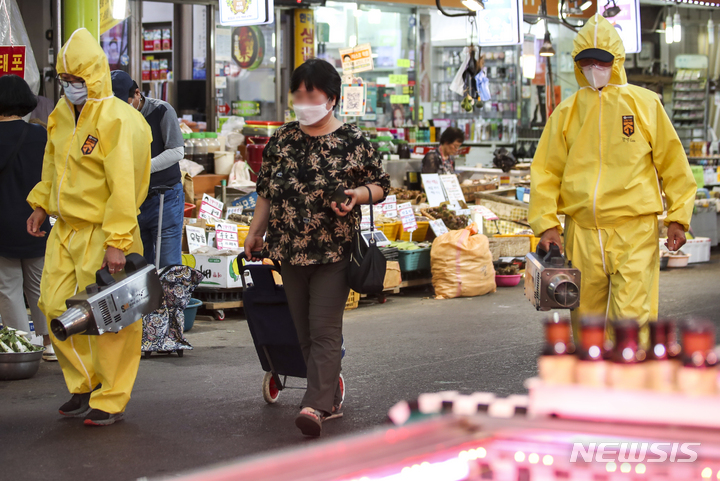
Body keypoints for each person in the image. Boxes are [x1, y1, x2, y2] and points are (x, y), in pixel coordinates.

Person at [244, 58, 390, 437]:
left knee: (324, 328)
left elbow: (381, 186)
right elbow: (266, 192)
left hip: (334, 250)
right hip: (289, 249)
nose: (303, 101)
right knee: (304, 330)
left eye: (312, 94)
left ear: (332, 98)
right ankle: (329, 390)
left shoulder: (353, 141)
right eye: (298, 93)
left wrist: (356, 195)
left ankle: (316, 404)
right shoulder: (283, 139)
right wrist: (255, 231)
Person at [529, 14, 696, 344]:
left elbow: (673, 162)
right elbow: (545, 170)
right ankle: (591, 386)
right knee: (586, 323)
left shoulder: (644, 105)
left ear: (616, 60)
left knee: (632, 320)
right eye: (586, 62)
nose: (594, 68)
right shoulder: (567, 112)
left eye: (601, 61)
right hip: (582, 232)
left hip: (634, 229)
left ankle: (630, 385)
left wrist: (679, 217)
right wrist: (546, 223)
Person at [26, 28, 152, 426]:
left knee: (111, 320)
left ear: (95, 75)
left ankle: (111, 398)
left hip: (107, 232)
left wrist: (117, 241)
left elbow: (125, 186)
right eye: (65, 80)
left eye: (77, 80)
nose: (70, 87)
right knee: (53, 306)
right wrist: (40, 204)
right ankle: (85, 384)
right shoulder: (61, 114)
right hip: (65, 229)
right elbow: (53, 165)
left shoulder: (120, 120)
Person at [0, 75, 55, 361]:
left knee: (7, 290)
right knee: (39, 286)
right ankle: (49, 343)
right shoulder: (41, 135)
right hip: (36, 221)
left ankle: (22, 350)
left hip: (1, 228)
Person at [111, 70, 185, 268]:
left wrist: (142, 168)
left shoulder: (161, 110)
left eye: (125, 104)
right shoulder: (113, 119)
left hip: (164, 198)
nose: (122, 110)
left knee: (167, 266)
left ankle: (171, 300)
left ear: (137, 94)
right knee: (139, 268)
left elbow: (177, 151)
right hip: (132, 202)